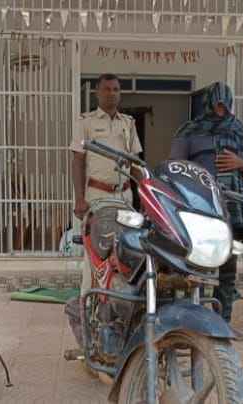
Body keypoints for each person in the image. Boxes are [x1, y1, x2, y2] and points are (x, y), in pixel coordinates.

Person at [169, 82, 243, 329]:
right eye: (217, 105)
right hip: (199, 210)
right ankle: (193, 322)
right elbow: (175, 168)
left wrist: (240, 163)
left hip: (231, 209)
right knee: (194, 268)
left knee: (228, 270)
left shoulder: (239, 130)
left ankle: (223, 322)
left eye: (224, 105)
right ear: (208, 104)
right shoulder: (190, 130)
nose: (221, 109)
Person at [70, 73, 142, 293]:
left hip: (125, 196)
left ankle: (118, 301)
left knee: (126, 250)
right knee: (95, 252)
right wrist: (80, 199)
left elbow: (135, 164)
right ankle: (87, 300)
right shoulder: (86, 122)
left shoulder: (128, 123)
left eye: (116, 90)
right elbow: (78, 161)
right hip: (97, 195)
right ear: (97, 93)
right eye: (107, 89)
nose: (112, 93)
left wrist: (148, 194)